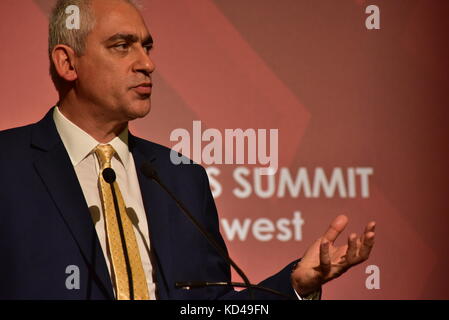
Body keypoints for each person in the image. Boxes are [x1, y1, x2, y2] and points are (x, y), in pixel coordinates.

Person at [0, 0, 376, 300]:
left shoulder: (178, 175)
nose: (147, 64)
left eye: (146, 47)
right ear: (68, 62)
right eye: (122, 46)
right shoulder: (9, 164)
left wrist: (295, 285)